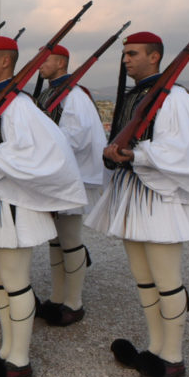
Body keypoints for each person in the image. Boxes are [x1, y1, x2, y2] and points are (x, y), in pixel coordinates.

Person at [86, 31, 189, 377]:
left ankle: (173, 356)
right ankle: (155, 347)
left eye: (133, 54)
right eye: (125, 54)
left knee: (167, 280)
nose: (126, 60)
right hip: (132, 194)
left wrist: (138, 154)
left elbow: (185, 149)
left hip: (160, 197)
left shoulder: (175, 97)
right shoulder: (135, 97)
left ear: (155, 57)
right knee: (144, 279)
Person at [0, 37, 86, 377]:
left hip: (11, 203)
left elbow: (37, 155)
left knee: (14, 281)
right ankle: (7, 350)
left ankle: (20, 360)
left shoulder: (19, 105)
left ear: (6, 63)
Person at [33, 44, 108, 326]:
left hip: (71, 176)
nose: (40, 64)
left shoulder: (74, 95)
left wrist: (39, 147)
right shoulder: (48, 94)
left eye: (46, 59)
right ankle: (57, 297)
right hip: (52, 175)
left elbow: (76, 137)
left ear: (61, 63)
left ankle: (74, 302)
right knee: (55, 239)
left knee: (70, 238)